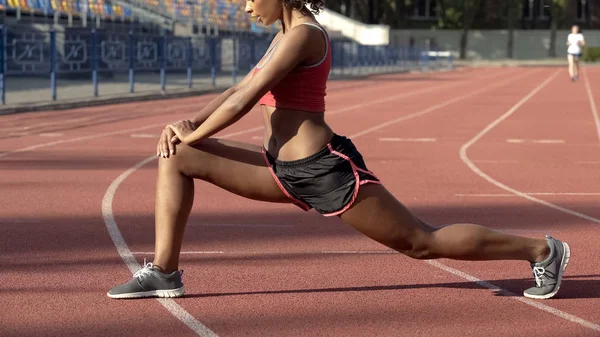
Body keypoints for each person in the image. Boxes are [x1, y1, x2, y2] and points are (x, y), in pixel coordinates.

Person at [107, 0, 570, 301]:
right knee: (176, 155)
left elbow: (244, 101)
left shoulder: (305, 35)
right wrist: (187, 128)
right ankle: (165, 272)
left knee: (420, 242)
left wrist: (192, 130)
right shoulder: (280, 36)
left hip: (324, 171)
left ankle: (541, 250)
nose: (246, 6)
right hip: (278, 169)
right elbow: (239, 87)